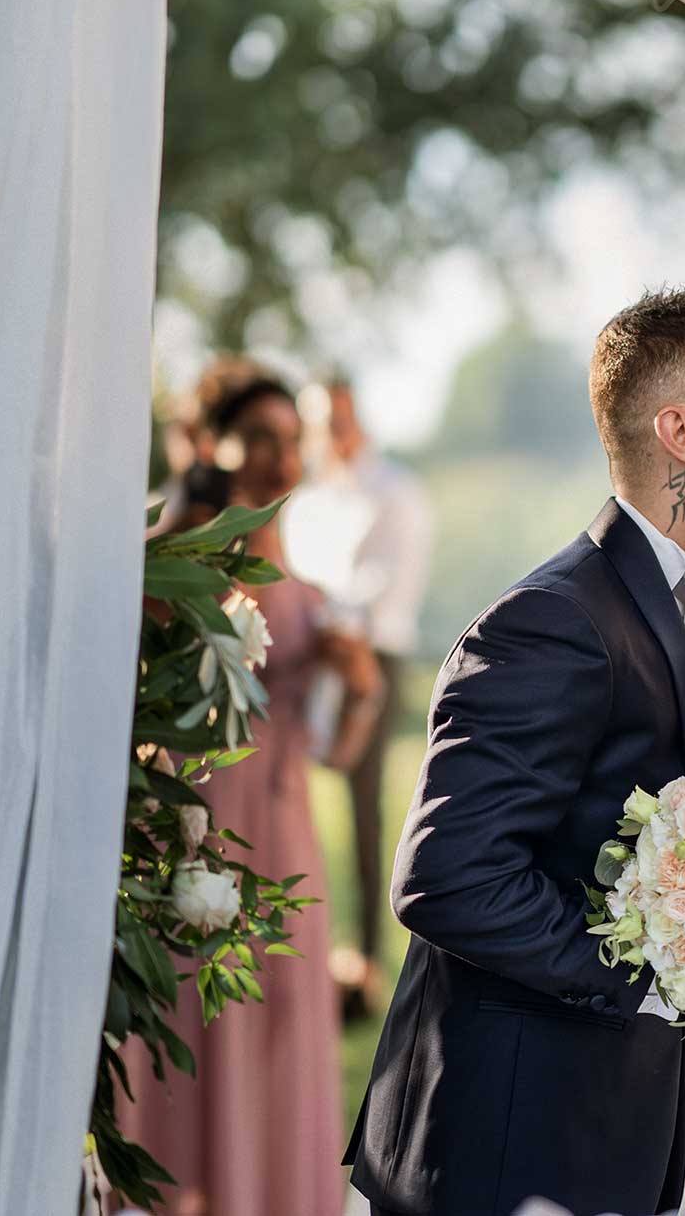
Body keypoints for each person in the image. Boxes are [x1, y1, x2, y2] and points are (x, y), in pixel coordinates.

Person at [345, 280, 685, 1216]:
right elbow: (449, 876)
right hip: (504, 1143)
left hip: (604, 1128)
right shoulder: (554, 622)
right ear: (683, 435)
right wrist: (651, 979)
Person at [119, 363, 380, 1216]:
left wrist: (365, 687)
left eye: (291, 440)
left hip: (285, 831)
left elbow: (336, 753)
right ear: (213, 445)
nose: (279, 456)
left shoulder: (306, 591)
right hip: (192, 839)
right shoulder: (170, 565)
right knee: (195, 1030)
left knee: (275, 1039)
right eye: (259, 437)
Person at [284, 374, 436, 1015]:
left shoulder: (395, 493)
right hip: (302, 658)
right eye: (319, 424)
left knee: (366, 809)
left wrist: (332, 623)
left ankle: (368, 965)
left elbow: (390, 589)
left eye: (338, 421)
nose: (330, 436)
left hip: (371, 656)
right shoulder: (303, 503)